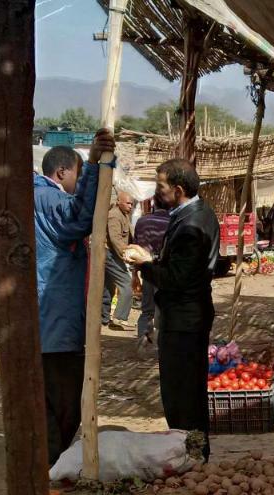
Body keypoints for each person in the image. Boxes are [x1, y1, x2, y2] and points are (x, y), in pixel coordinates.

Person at [34, 131, 113, 466]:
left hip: (50, 316)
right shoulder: (48, 200)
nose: (78, 180)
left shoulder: (35, 198)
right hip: (55, 318)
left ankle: (51, 458)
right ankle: (52, 463)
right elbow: (79, 216)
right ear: (63, 172)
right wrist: (95, 164)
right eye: (78, 174)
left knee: (53, 397)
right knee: (63, 400)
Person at [137, 158, 220, 460]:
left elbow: (177, 279)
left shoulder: (192, 224)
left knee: (181, 395)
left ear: (179, 189)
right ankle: (194, 453)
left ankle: (191, 456)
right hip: (189, 316)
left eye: (161, 186)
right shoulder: (195, 214)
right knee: (188, 393)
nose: (157, 192)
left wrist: (144, 264)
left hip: (184, 319)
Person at [132, 194, 172, 347]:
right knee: (161, 308)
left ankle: (143, 342)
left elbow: (136, 249)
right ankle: (161, 344)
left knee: (147, 309)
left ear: (154, 204)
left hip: (146, 270)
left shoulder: (142, 222)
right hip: (163, 271)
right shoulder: (172, 223)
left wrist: (135, 273)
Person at [103, 190, 136, 330]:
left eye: (132, 203)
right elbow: (115, 239)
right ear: (119, 202)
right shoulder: (115, 216)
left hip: (111, 255)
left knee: (108, 287)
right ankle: (119, 318)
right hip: (110, 254)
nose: (130, 206)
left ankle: (103, 318)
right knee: (127, 285)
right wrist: (127, 255)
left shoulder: (123, 214)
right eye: (128, 203)